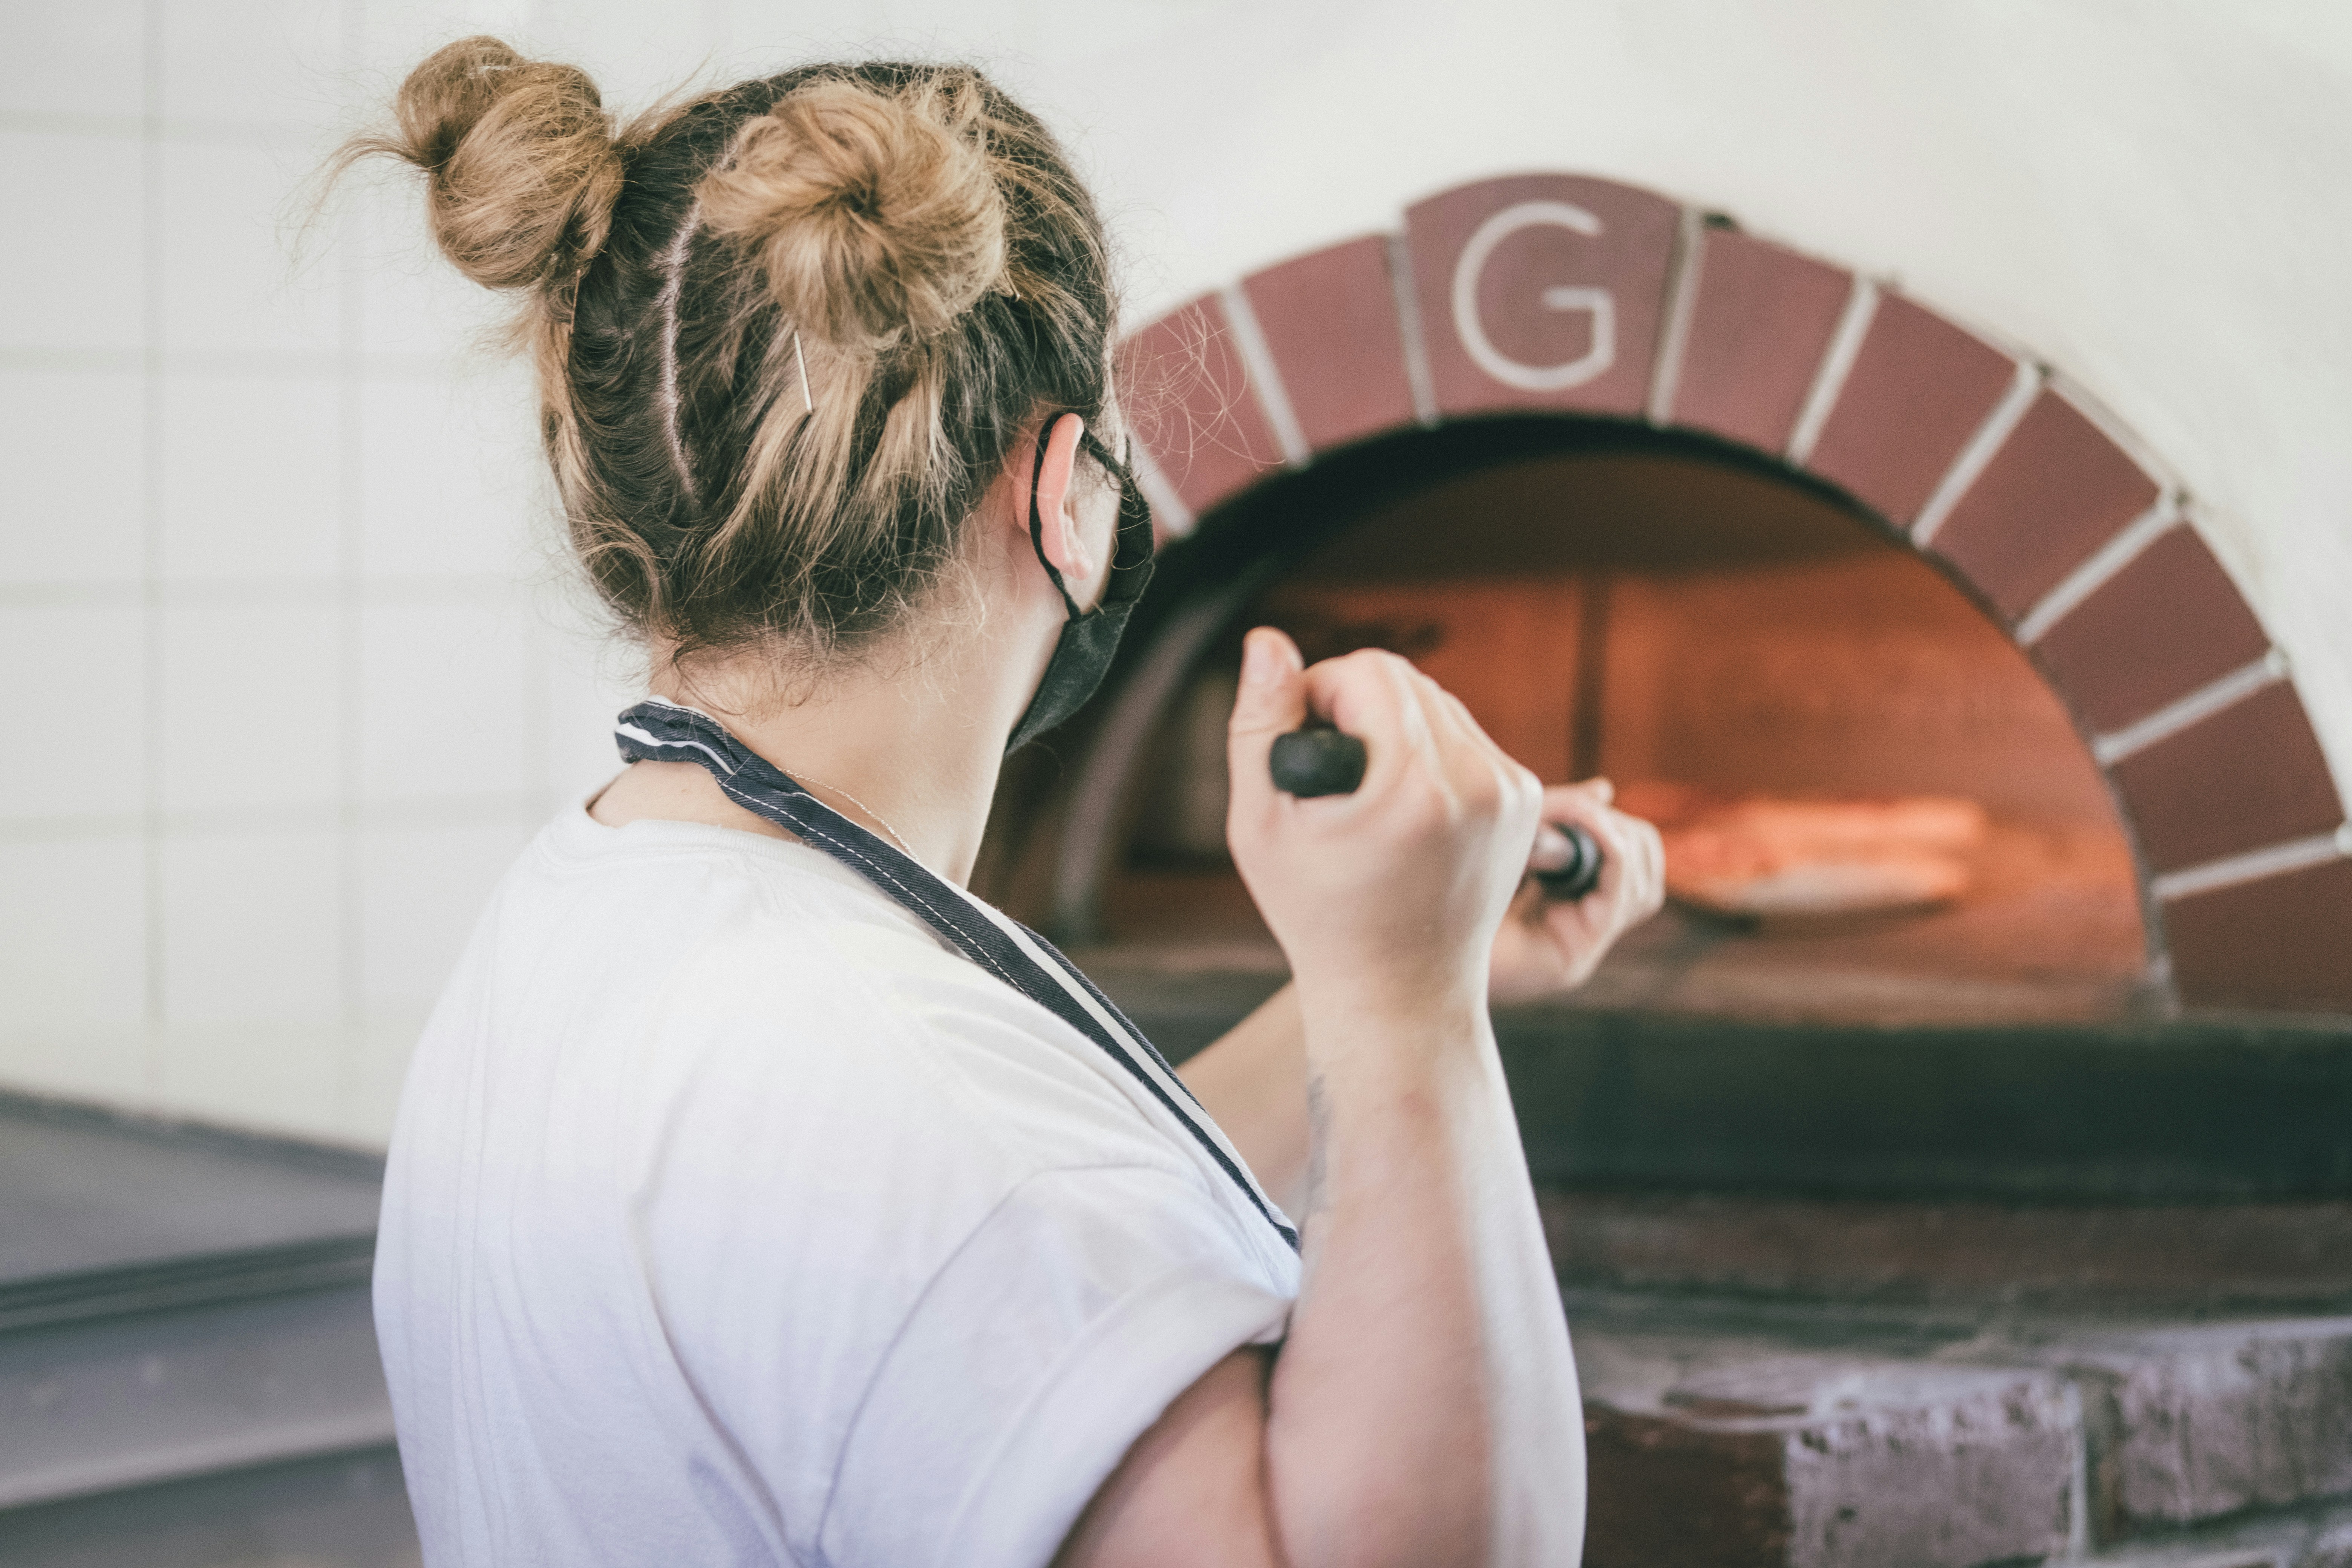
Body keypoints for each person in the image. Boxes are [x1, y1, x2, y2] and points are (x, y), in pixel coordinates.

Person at [357, 37, 1663, 1568]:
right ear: (1064, 494)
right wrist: (1408, 1016)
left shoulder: (592, 905)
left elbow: (1027, 1223)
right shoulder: (893, 1084)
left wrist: (1393, 973)